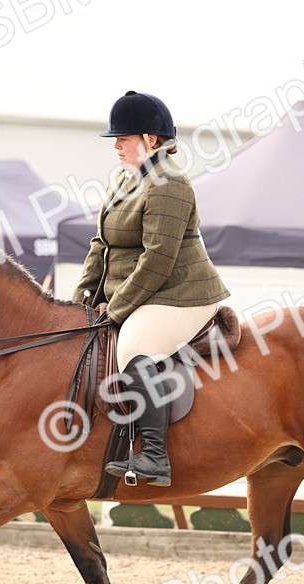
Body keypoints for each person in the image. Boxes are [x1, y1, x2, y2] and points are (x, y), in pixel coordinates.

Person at [71, 90, 230, 487]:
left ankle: (155, 456)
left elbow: (158, 260)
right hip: (145, 292)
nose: (117, 146)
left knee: (133, 349)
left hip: (180, 295)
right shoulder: (125, 179)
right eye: (116, 140)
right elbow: (100, 245)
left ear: (152, 140)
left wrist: (119, 308)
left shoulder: (170, 184)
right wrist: (78, 302)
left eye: (123, 139)